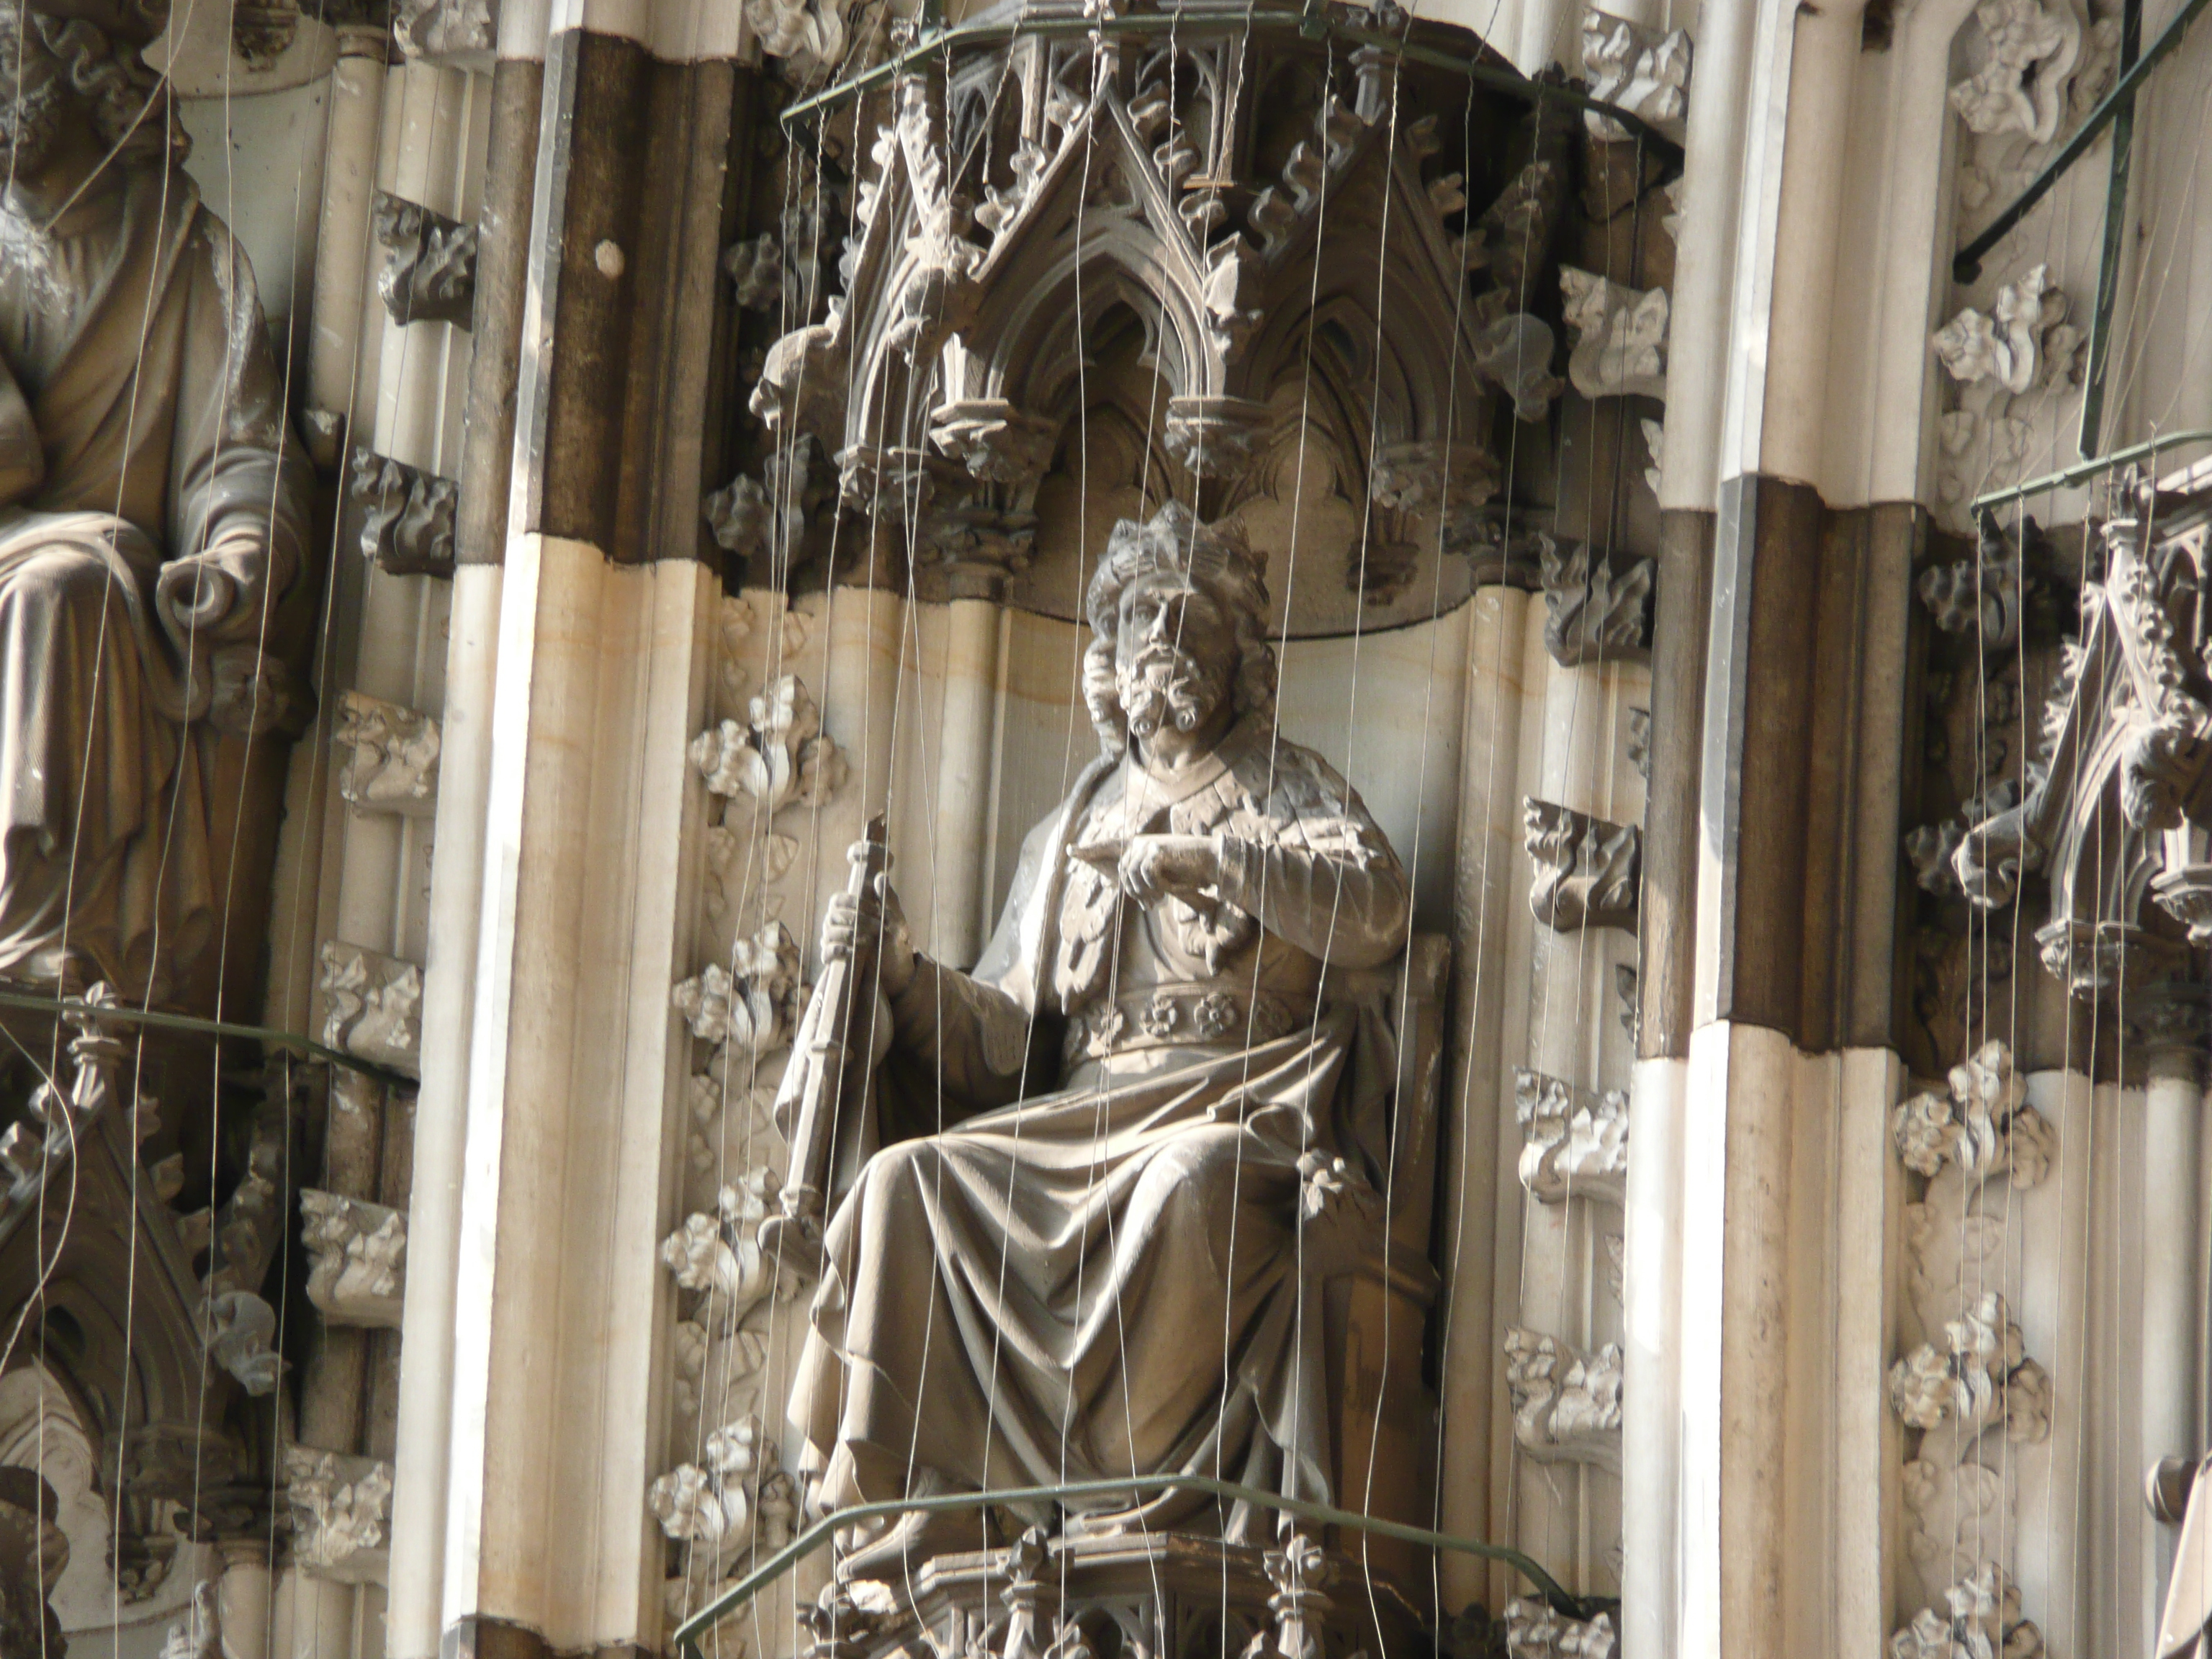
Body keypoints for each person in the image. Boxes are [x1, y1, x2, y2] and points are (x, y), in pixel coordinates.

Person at [789, 501, 1411, 1580]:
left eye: (1192, 622)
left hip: (1232, 1102)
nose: (1162, 641)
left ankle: (1141, 1509)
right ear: (1107, 661)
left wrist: (1220, 863)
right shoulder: (1071, 823)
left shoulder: (1287, 785)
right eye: (1135, 621)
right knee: (906, 1183)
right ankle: (937, 1501)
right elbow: (1003, 1031)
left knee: (1189, 1184)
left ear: (1242, 659)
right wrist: (898, 975)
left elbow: (1379, 910)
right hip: (1074, 1117)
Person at [0, 0, 310, 996]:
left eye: (8, 60)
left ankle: (38, 938)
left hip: (101, 570)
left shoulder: (183, 253)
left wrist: (242, 548)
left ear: (80, 72)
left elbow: (239, 446)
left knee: (59, 588)